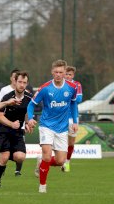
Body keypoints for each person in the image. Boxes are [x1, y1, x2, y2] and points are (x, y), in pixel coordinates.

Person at [27, 59, 78, 193]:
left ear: (65, 72)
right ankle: (42, 186)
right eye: (56, 72)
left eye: (61, 72)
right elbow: (31, 104)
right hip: (46, 126)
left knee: (61, 161)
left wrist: (76, 121)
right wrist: (30, 118)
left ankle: (41, 162)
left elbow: (73, 104)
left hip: (62, 128)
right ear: (52, 72)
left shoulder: (72, 88)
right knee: (47, 155)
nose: (58, 74)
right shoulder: (45, 88)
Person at [0, 71, 33, 188]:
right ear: (15, 82)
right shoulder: (7, 97)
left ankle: (8, 157)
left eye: (24, 82)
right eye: (20, 82)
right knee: (4, 157)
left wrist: (27, 123)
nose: (22, 84)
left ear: (27, 84)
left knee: (20, 157)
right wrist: (11, 124)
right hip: (4, 130)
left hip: (17, 132)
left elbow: (27, 112)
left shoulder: (28, 98)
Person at [61, 66, 83, 172]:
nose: (68, 76)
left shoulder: (77, 84)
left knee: (71, 142)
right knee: (62, 140)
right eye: (66, 74)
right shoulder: (61, 84)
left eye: (70, 74)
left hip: (73, 118)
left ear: (73, 75)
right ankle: (61, 161)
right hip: (62, 116)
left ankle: (67, 161)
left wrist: (66, 97)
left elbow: (78, 99)